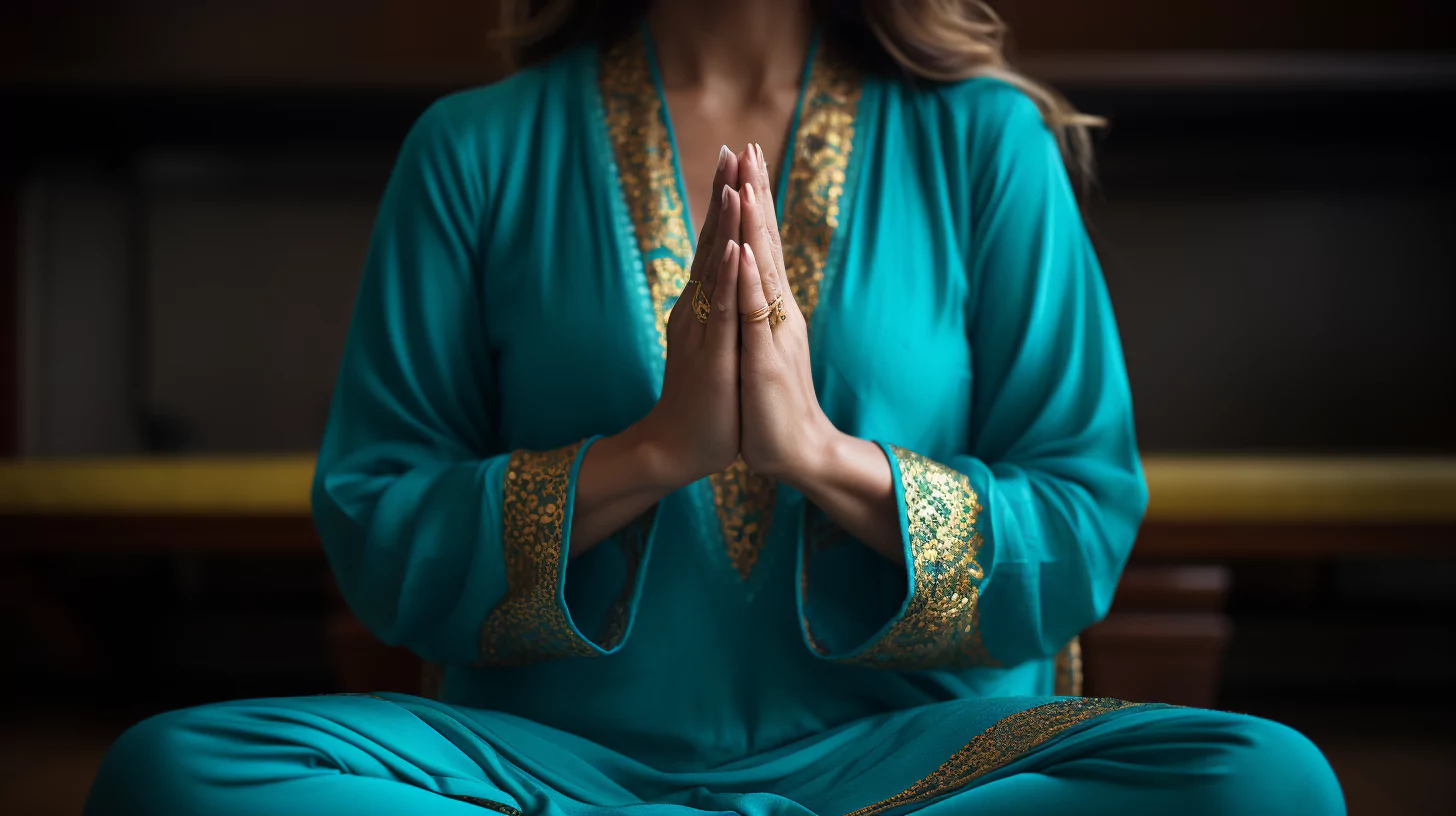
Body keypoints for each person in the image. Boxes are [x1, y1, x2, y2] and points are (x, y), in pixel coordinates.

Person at [84, 1, 1345, 813]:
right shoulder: (473, 146)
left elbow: (1078, 519)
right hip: (550, 769)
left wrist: (826, 461)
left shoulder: (982, 143)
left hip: (907, 771)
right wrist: (645, 457)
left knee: (1264, 783)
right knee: (174, 774)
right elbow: (377, 524)